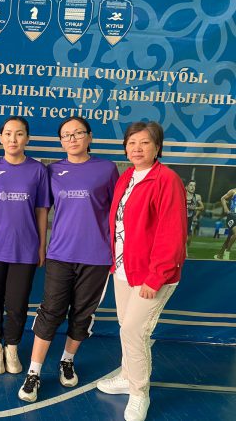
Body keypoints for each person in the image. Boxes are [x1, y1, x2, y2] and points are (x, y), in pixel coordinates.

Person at [18, 116, 119, 403]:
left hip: (97, 257)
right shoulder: (52, 171)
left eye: (78, 133)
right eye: (66, 135)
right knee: (50, 312)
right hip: (60, 254)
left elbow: (118, 213)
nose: (72, 139)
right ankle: (34, 372)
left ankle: (67, 360)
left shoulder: (107, 169)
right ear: (61, 141)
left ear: (90, 137)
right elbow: (39, 210)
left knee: (82, 314)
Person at [96, 121, 187, 421]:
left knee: (134, 330)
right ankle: (127, 376)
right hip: (125, 269)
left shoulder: (167, 180)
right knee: (127, 326)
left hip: (153, 275)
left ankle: (139, 393)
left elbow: (172, 234)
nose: (137, 148)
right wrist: (116, 262)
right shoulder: (127, 177)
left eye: (145, 142)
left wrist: (156, 277)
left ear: (157, 147)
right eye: (132, 142)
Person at [0, 116, 50, 377]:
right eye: (7, 134)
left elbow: (41, 210)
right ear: (0, 138)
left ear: (27, 138)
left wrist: (41, 246)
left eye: (19, 134)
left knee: (17, 304)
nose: (13, 139)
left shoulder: (38, 170)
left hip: (25, 249)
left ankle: (12, 347)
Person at [214, 188, 236, 260]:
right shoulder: (233, 191)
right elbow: (223, 198)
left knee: (229, 238)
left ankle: (219, 255)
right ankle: (227, 252)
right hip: (232, 215)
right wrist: (225, 208)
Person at [185, 180, 204, 248]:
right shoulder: (181, 195)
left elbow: (202, 207)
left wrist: (194, 209)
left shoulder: (197, 196)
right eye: (191, 185)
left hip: (189, 218)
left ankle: (186, 248)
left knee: (189, 236)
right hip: (180, 218)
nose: (193, 187)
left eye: (194, 186)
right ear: (186, 187)